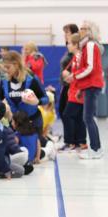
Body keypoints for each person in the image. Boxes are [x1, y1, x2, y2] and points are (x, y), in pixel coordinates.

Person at [68, 21, 104, 159]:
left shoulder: (89, 45)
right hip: (89, 85)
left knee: (88, 118)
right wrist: (80, 88)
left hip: (92, 85)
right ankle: (96, 148)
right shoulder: (86, 46)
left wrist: (74, 76)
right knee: (88, 118)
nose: (80, 29)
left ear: (89, 31)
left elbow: (90, 68)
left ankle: (95, 149)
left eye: (83, 28)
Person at [0, 51, 49, 137]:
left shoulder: (31, 79)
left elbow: (46, 99)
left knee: (33, 149)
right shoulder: (4, 81)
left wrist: (37, 102)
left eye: (8, 67)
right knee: (16, 150)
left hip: (32, 122)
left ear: (16, 65)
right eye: (4, 68)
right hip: (14, 125)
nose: (6, 70)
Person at [61, 33, 87, 152]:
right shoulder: (75, 57)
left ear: (76, 45)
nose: (68, 45)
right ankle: (80, 141)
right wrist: (69, 76)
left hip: (78, 92)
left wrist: (72, 77)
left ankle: (70, 142)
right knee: (77, 117)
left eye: (70, 43)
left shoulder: (80, 57)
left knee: (67, 115)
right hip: (74, 91)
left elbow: (82, 74)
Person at [59, 24, 79, 120]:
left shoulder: (77, 52)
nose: (65, 35)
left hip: (72, 86)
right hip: (66, 85)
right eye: (64, 33)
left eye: (67, 32)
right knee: (63, 112)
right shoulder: (68, 51)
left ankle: (73, 135)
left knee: (69, 115)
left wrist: (71, 74)